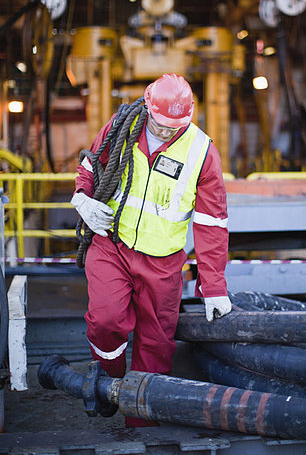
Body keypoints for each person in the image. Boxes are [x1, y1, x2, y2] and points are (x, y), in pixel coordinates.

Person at [71, 73, 232, 428]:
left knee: (156, 349)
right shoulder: (122, 126)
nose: (166, 133)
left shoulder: (201, 151)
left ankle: (141, 427)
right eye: (160, 126)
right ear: (147, 108)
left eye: (176, 126)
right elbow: (90, 165)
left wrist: (214, 286)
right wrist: (82, 198)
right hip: (113, 246)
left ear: (190, 116)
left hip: (164, 264)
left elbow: (212, 224)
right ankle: (110, 382)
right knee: (105, 321)